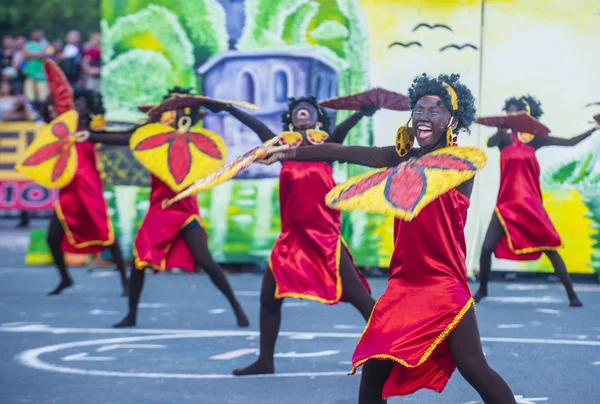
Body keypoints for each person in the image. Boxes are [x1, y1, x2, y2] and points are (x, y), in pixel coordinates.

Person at [259, 74, 516, 404]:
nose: (424, 115)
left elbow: (432, 172)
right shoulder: (400, 157)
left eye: (435, 110)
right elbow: (343, 150)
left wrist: (406, 167)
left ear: (452, 119)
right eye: (419, 109)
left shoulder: (460, 164)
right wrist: (286, 155)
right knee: (371, 380)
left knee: (475, 368)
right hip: (402, 287)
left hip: (443, 286)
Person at [211, 97, 377, 376]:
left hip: (325, 238)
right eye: (297, 109)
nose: (302, 110)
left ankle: (394, 350)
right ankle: (265, 360)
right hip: (291, 240)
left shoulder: (327, 147)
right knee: (269, 298)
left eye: (309, 109)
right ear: (290, 120)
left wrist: (360, 113)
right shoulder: (280, 147)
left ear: (318, 121)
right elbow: (256, 126)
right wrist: (229, 108)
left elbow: (341, 134)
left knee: (360, 298)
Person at [113, 88, 249, 329]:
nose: (173, 114)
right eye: (169, 110)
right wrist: (89, 135)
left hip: (185, 210)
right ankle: (131, 313)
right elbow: (126, 138)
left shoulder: (195, 141)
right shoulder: (152, 138)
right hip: (160, 209)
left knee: (206, 262)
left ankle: (237, 307)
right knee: (139, 261)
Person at [474, 95, 599, 306]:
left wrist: (594, 129)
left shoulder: (535, 139)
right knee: (487, 248)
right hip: (505, 204)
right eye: (509, 112)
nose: (510, 115)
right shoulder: (504, 139)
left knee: (549, 248)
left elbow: (569, 142)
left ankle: (572, 295)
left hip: (529, 205)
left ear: (526, 115)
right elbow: (490, 142)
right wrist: (499, 131)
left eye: (515, 112)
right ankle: (483, 290)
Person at [37, 78, 130, 296]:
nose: (78, 105)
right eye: (74, 101)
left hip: (90, 190)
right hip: (68, 190)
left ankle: (126, 281)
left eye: (82, 102)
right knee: (52, 237)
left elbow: (120, 138)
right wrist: (52, 98)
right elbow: (45, 117)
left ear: (90, 105)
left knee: (107, 236)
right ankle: (65, 278)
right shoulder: (63, 127)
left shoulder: (94, 129)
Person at [22, 28, 49, 108]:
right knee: (30, 98)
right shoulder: (28, 44)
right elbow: (25, 56)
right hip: (30, 74)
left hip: (42, 75)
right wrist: (38, 54)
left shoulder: (45, 44)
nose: (36, 35)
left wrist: (31, 55)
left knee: (43, 98)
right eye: (35, 33)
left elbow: (44, 55)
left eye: (38, 33)